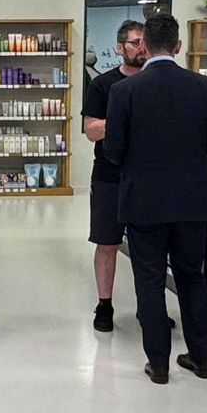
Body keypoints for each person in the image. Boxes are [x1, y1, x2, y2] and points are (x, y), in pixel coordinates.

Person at [104, 12, 207, 384]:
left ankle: (158, 363)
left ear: (145, 46)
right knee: (191, 277)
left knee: (150, 279)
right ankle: (202, 359)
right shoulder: (204, 88)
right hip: (192, 201)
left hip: (144, 202)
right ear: (178, 46)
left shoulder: (124, 91)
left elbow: (113, 150)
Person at [81, 18, 146, 331]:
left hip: (149, 178)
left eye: (144, 41)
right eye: (134, 42)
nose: (140, 47)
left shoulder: (155, 83)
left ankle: (149, 306)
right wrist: (118, 121)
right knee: (107, 242)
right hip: (109, 176)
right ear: (120, 47)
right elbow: (90, 130)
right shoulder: (102, 85)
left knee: (148, 246)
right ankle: (104, 304)